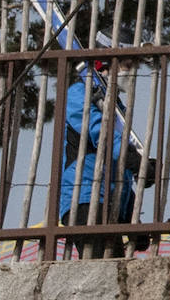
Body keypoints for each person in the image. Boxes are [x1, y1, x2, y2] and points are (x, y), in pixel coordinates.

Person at [60, 61, 157, 258]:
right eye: (127, 65)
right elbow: (101, 134)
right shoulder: (80, 93)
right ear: (106, 64)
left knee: (116, 274)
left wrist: (130, 218)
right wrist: (133, 159)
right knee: (99, 270)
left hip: (109, 205)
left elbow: (118, 170)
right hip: (85, 199)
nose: (131, 71)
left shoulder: (117, 106)